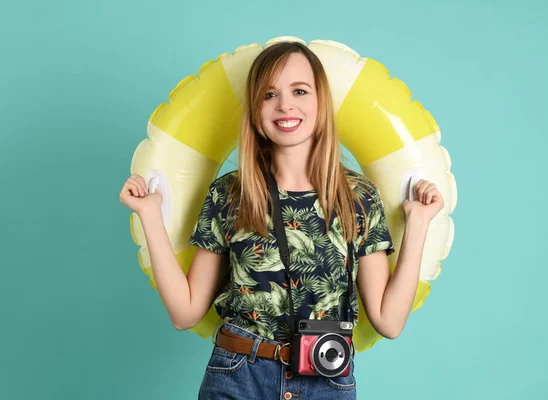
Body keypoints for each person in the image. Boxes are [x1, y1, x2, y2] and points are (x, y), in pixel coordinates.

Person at [119, 41, 444, 399]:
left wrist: (418, 222)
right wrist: (149, 214)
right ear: (255, 110)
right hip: (237, 375)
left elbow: (389, 320)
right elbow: (185, 313)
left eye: (299, 91)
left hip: (325, 380)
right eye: (269, 94)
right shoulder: (229, 194)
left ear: (320, 102)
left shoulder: (358, 197)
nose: (285, 105)